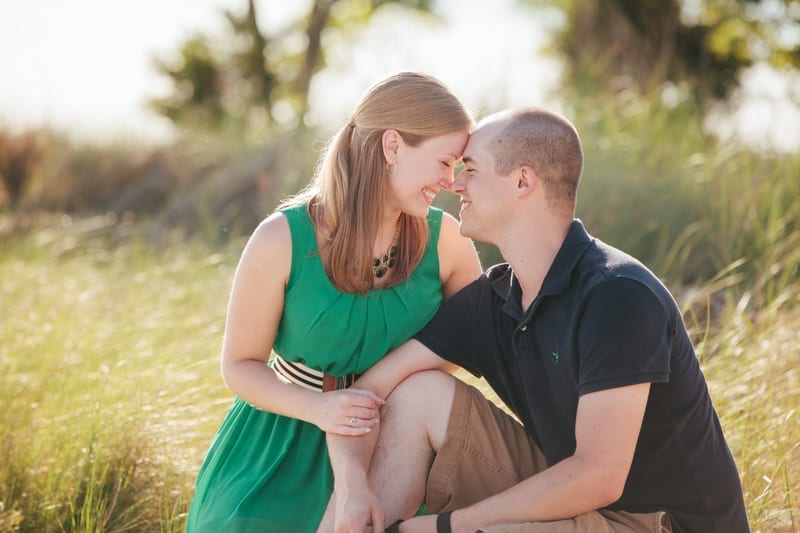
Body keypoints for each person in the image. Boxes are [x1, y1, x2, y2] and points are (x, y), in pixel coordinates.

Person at [323, 108, 750, 532]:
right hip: (578, 504)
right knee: (416, 392)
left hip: (657, 524)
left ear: (523, 181)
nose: (453, 184)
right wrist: (352, 486)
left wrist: (442, 527)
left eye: (470, 169)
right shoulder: (492, 300)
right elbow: (367, 394)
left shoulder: (617, 295)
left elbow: (598, 477)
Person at [184, 71, 483, 532]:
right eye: (444, 162)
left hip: (398, 443)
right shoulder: (280, 238)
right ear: (392, 147)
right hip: (281, 441)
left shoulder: (449, 244)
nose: (450, 180)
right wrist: (321, 410)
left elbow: (472, 343)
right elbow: (239, 366)